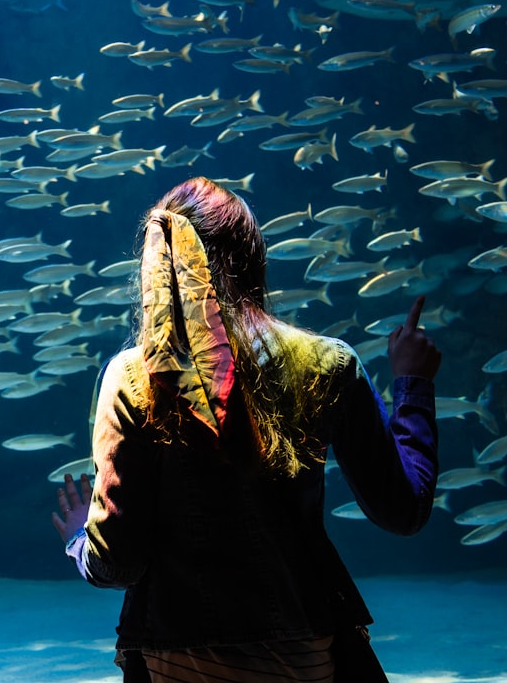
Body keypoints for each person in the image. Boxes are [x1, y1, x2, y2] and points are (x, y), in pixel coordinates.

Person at [51, 177, 441, 682]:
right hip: (309, 661)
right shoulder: (329, 362)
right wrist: (411, 383)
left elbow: (116, 565)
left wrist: (83, 535)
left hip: (177, 667)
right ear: (252, 256)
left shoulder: (131, 377)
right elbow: (404, 510)